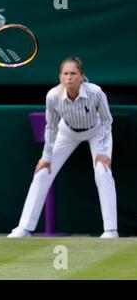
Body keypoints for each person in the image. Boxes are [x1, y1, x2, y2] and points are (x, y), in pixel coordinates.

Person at [7, 57, 118, 239]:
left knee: (102, 171)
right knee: (42, 173)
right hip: (66, 132)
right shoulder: (52, 96)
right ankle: (24, 228)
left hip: (96, 132)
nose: (69, 77)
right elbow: (51, 127)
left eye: (73, 73)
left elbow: (107, 121)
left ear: (81, 76)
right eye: (65, 74)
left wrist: (104, 152)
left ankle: (111, 230)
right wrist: (46, 157)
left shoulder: (96, 92)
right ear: (60, 77)